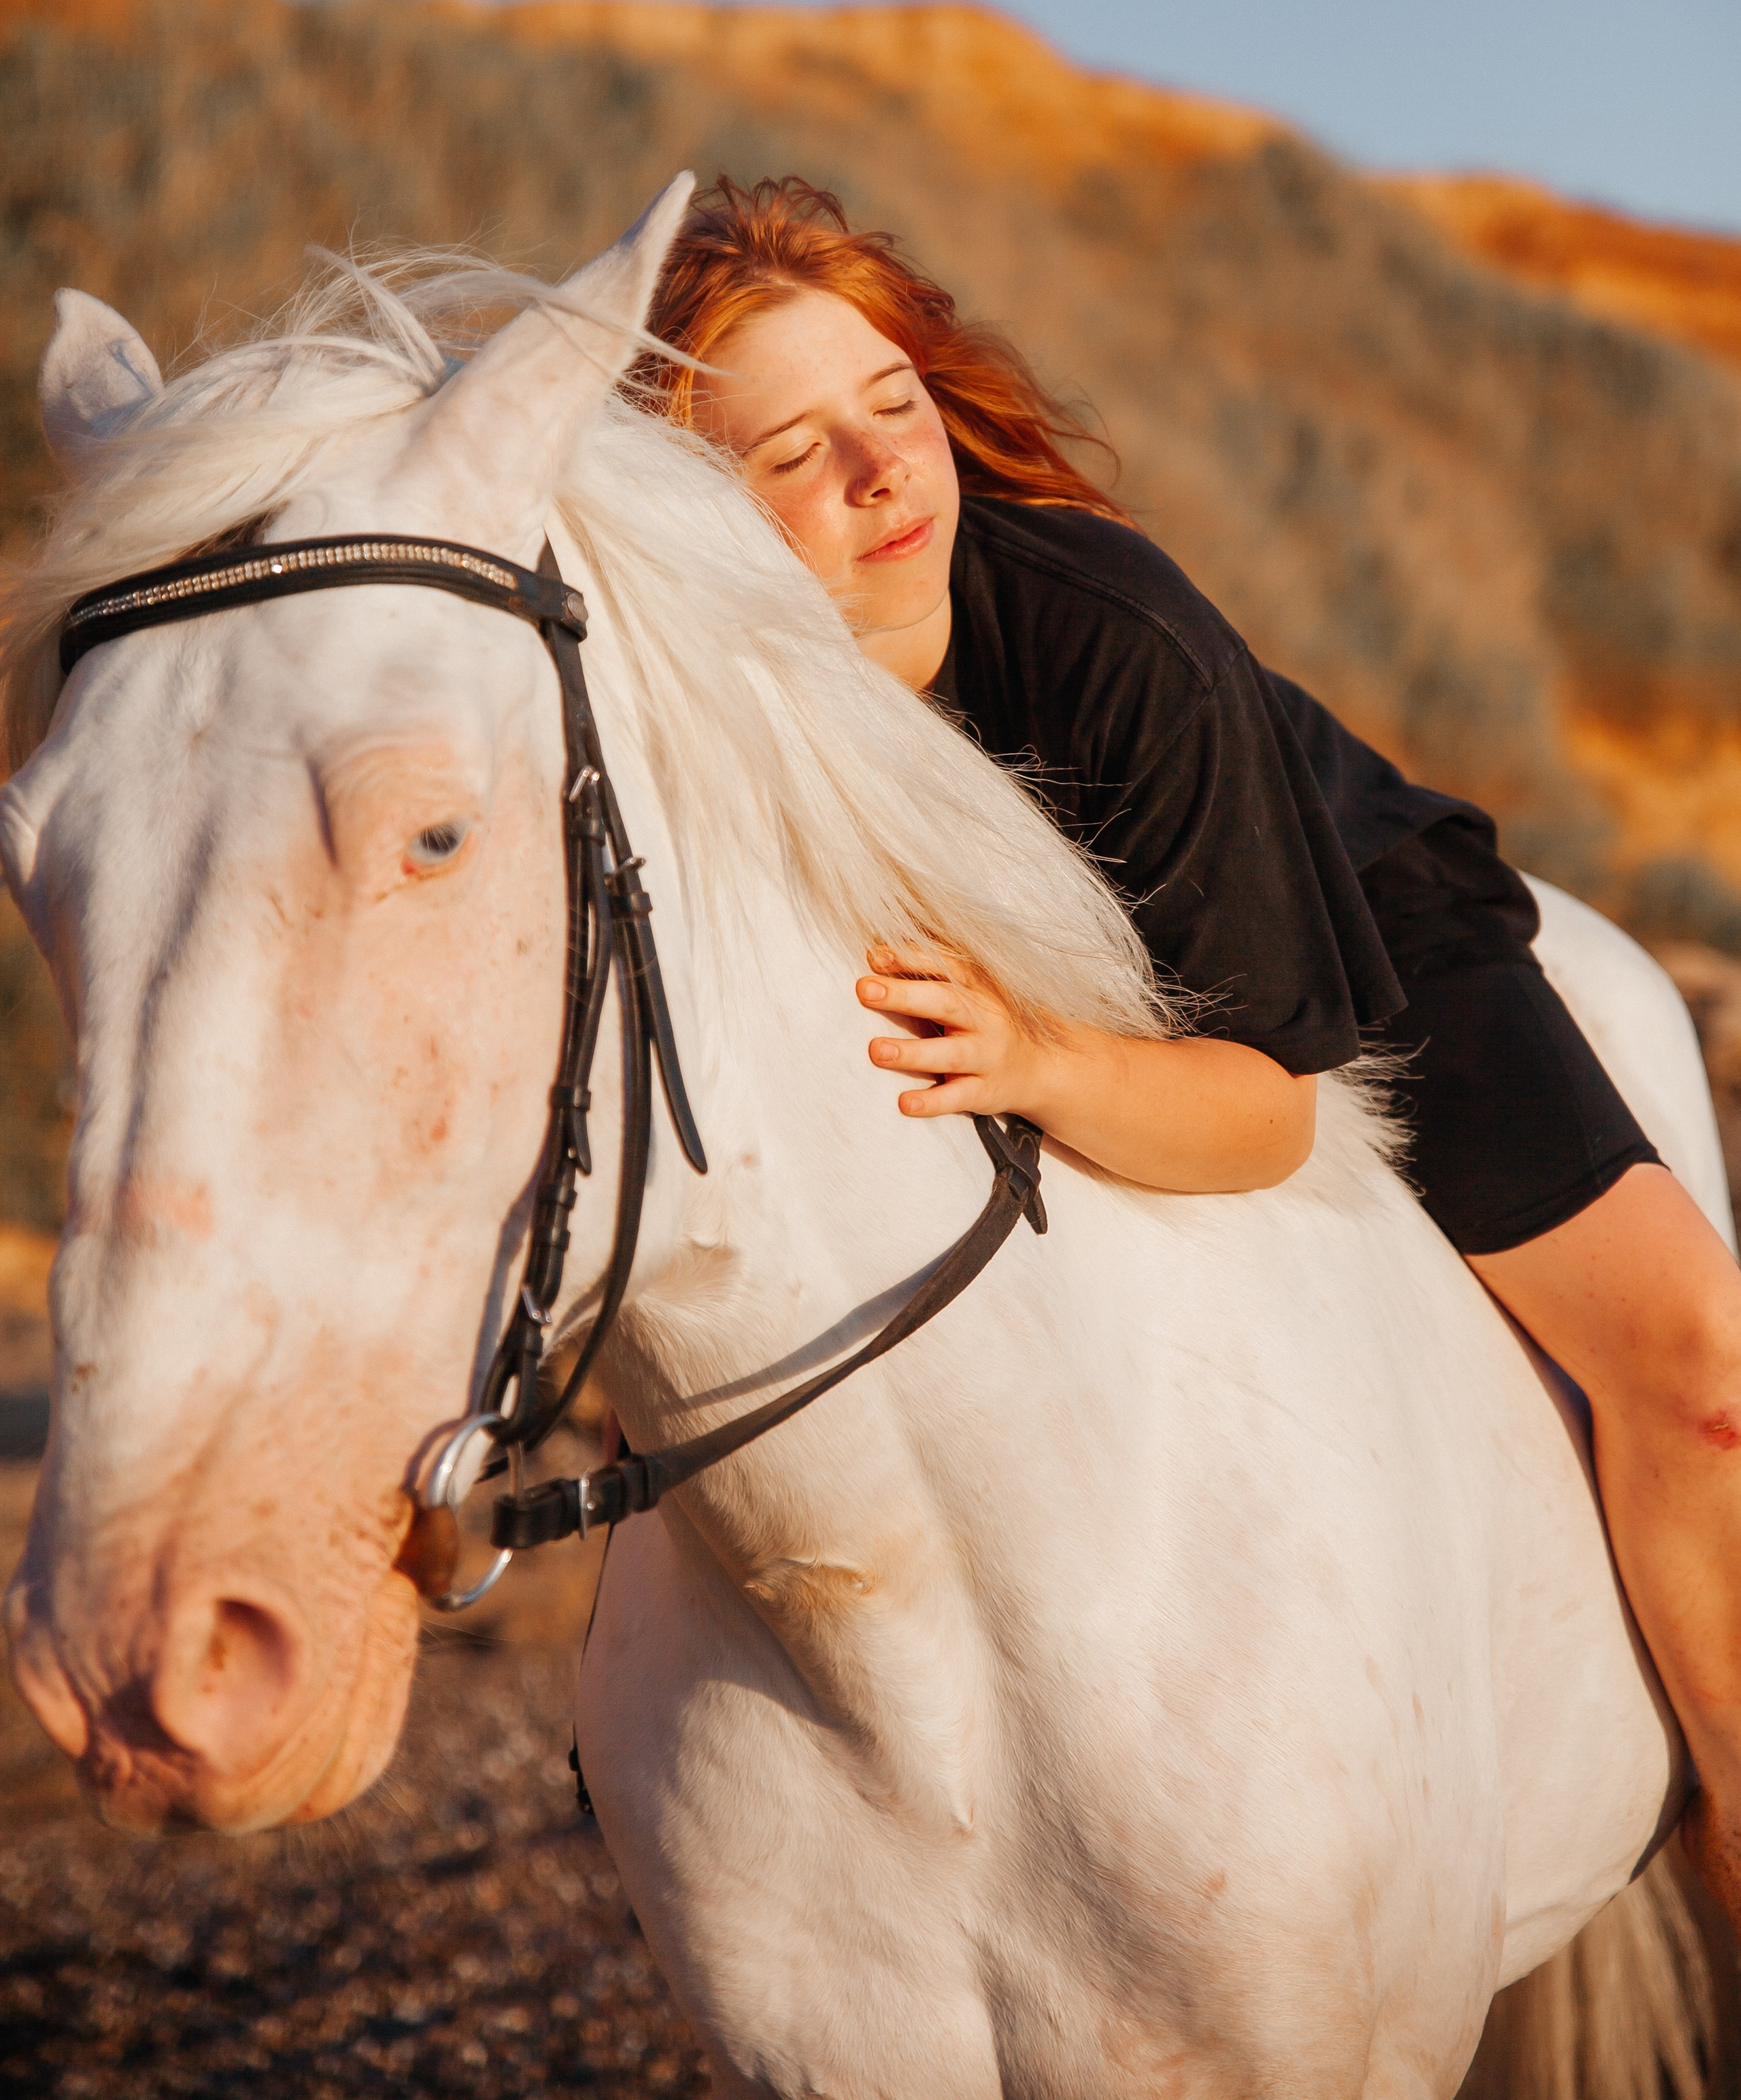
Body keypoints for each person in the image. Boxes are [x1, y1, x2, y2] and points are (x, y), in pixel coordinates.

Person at [630, 174, 1741, 1931]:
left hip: (1353, 945)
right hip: (1079, 1008)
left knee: (1704, 1358)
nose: (881, 472)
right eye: (791, 455)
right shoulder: (696, 713)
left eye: (895, 405)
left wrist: (1040, 1063)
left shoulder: (1115, 636)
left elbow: (1271, 1111)